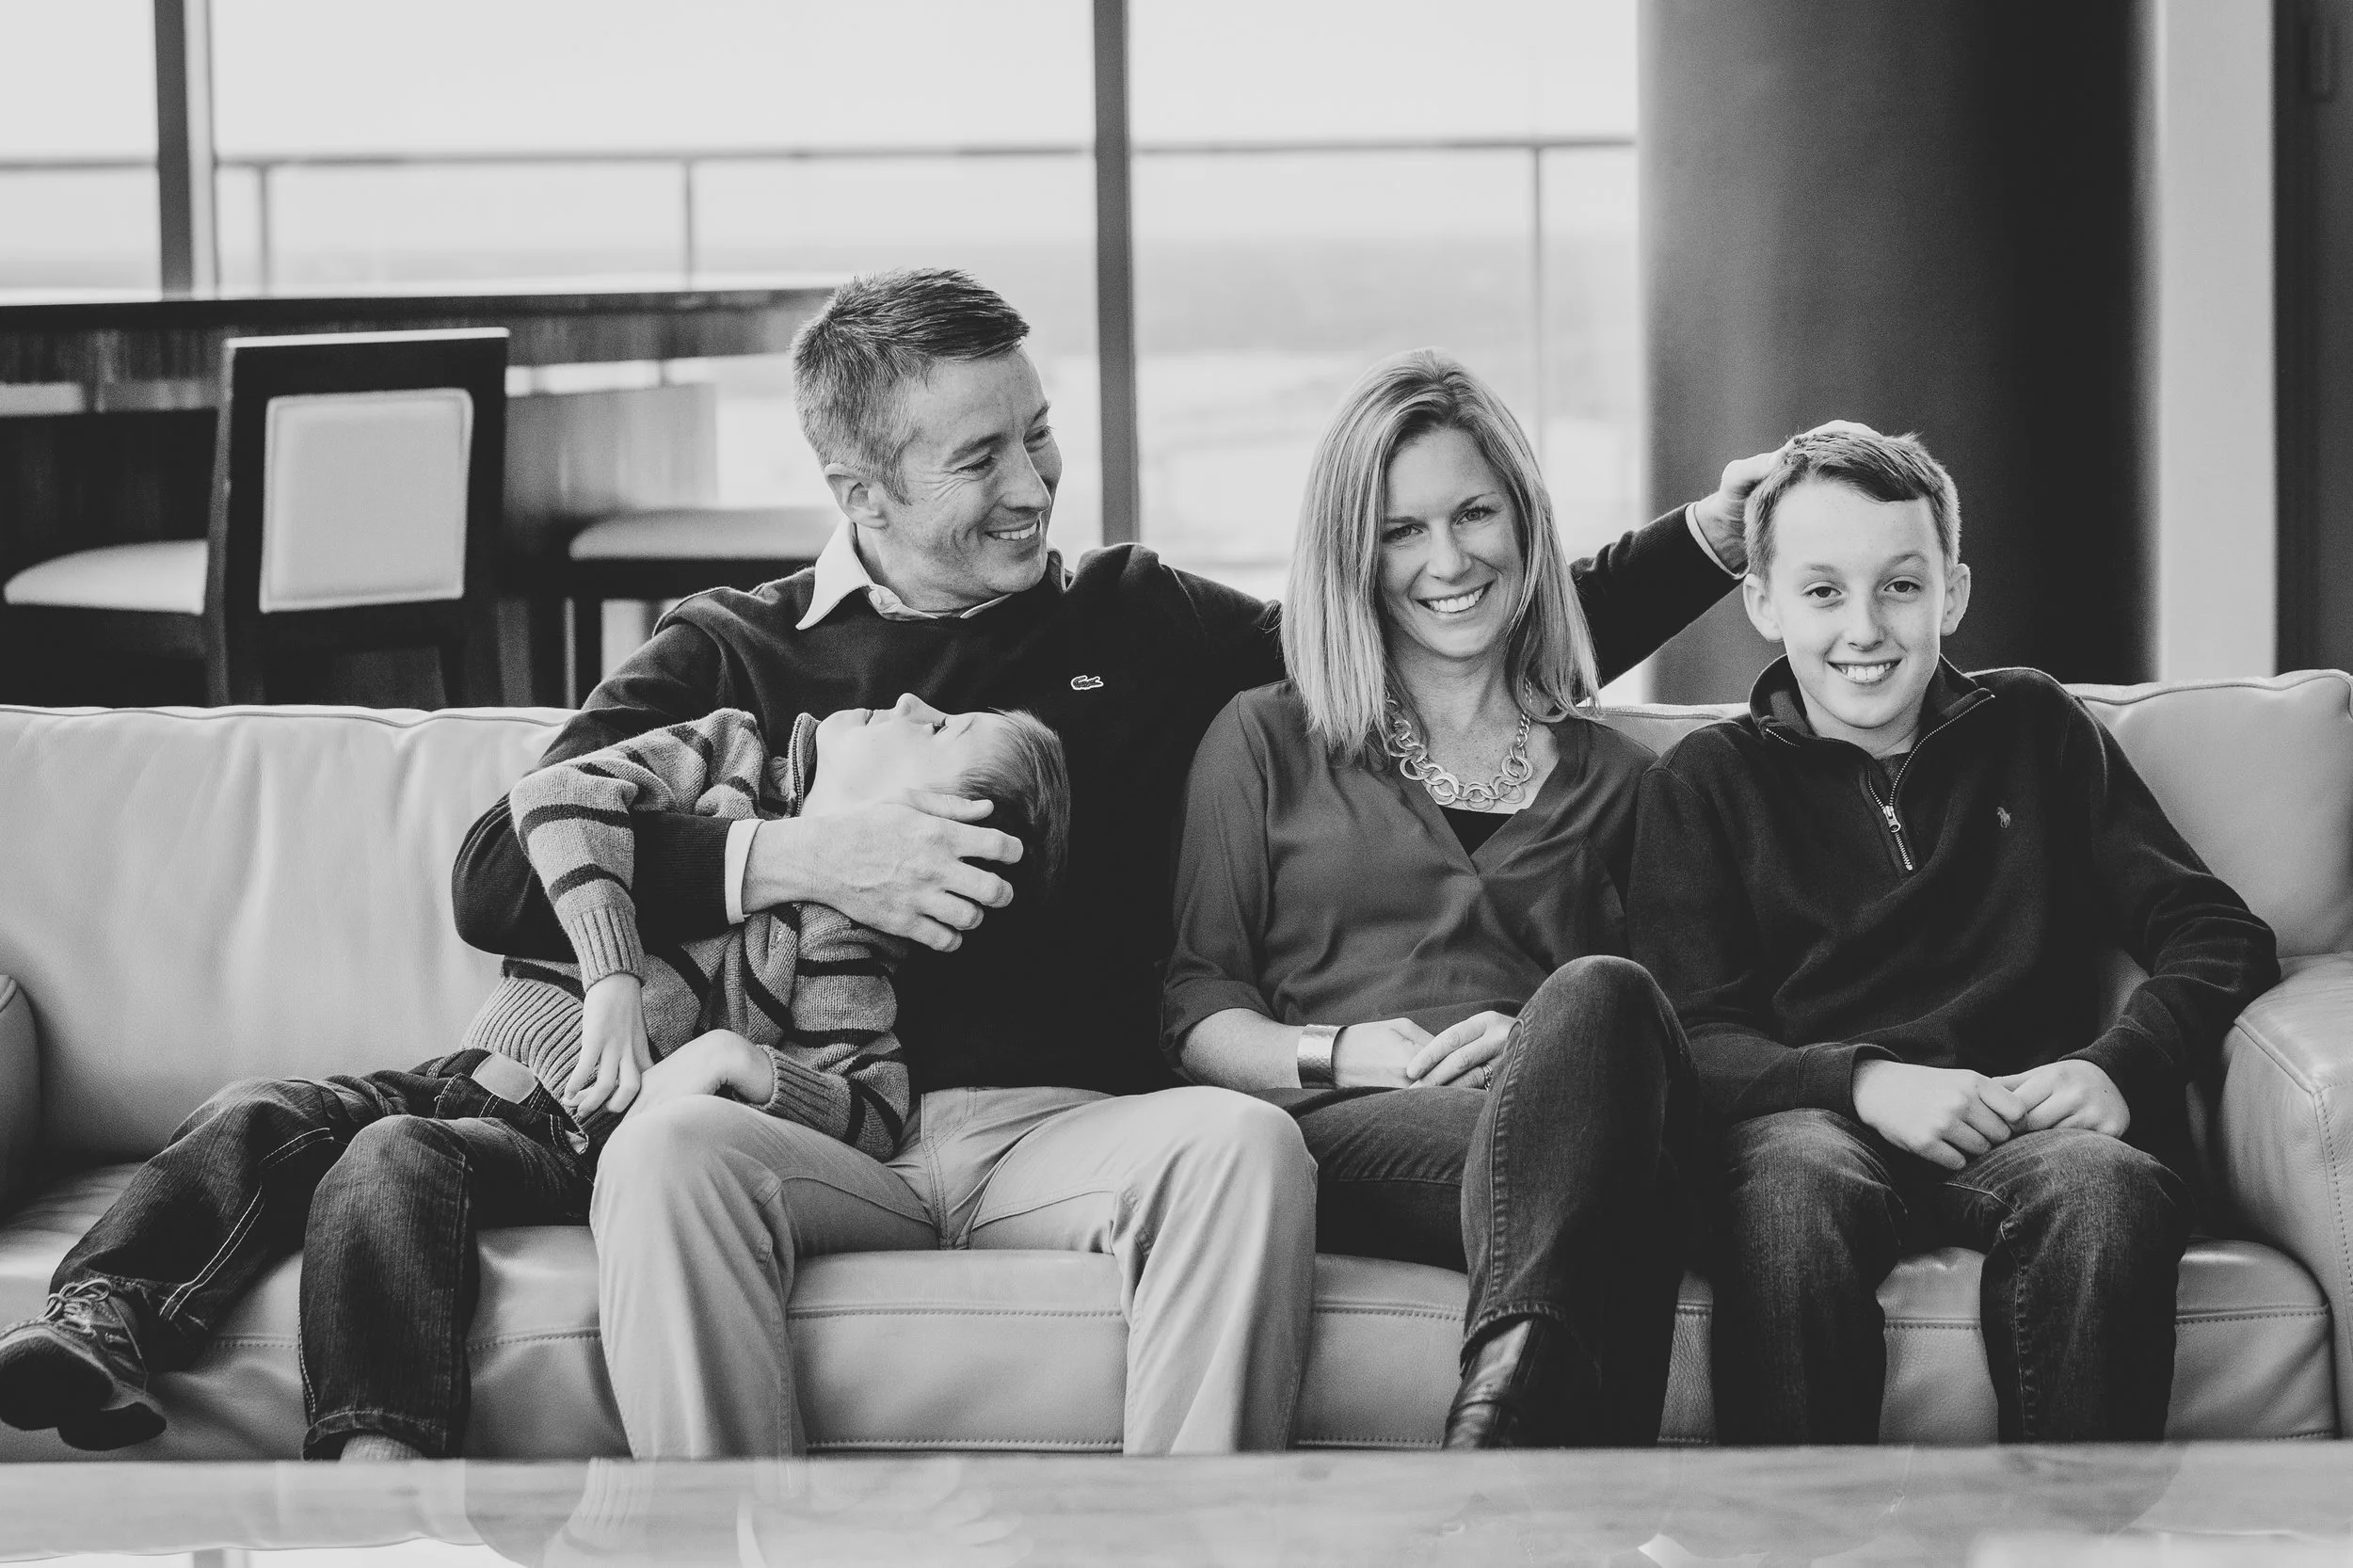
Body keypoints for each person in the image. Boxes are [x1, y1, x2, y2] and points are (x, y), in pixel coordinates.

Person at [448, 267, 1767, 1456]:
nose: (1032, 485)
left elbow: (1444, 621)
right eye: (981, 458)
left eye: (1039, 433)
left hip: (1071, 1127)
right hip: (813, 1117)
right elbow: (497, 869)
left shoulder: (1139, 618)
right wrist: (805, 857)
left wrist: (1708, 537)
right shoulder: (732, 648)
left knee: (1243, 1146)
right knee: (668, 1153)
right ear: (860, 490)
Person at [0, 691, 1066, 1461]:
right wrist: (609, 973)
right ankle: (100, 1321)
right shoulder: (733, 749)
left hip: (560, 1142)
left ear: (938, 835)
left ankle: (380, 1452)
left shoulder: (840, 946)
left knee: (394, 1157)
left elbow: (878, 1110)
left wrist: (740, 1065)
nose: (915, 696)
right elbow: (557, 797)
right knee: (254, 1109)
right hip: (462, 1068)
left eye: (941, 729)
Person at [1627, 427, 2281, 1444]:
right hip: (1816, 1126)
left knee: (2105, 1189)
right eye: (1822, 591)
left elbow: (2215, 930)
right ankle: (1804, 1549)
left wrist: (2121, 1064)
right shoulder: (1703, 783)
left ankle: (2067, 1543)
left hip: (2021, 1118)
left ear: (1953, 593)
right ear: (1762, 603)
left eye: (1899, 586)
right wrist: (1867, 1083)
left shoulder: (2035, 726)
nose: (1864, 627)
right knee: (1787, 1192)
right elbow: (1692, 1040)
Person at [1164, 349, 1707, 1448]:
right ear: (1351, 556)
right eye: (1402, 530)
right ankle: (1527, 1452)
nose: (1448, 559)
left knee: (1601, 997)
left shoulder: (1625, 780)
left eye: (1473, 515)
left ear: (1525, 523)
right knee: (1620, 1181)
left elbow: (1672, 1033)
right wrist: (1356, 1051)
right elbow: (1194, 1008)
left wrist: (1540, 1044)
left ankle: (1500, 1428)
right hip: (1346, 1133)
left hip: (1548, 1119)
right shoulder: (1264, 738)